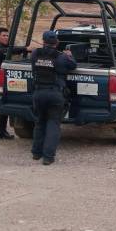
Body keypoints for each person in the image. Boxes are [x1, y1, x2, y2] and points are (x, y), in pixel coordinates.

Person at [30, 31, 77, 165]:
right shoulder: (62, 57)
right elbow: (73, 65)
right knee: (53, 124)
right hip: (55, 94)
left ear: (43, 41)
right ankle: (48, 157)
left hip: (38, 93)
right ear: (56, 43)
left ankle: (36, 153)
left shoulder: (35, 54)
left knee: (39, 122)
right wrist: (70, 55)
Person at [0, 27, 32, 141]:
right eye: (4, 35)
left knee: (4, 104)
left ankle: (2, 130)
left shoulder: (6, 47)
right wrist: (25, 48)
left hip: (3, 80)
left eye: (7, 35)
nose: (6, 37)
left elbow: (11, 49)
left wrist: (26, 50)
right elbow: (3, 52)